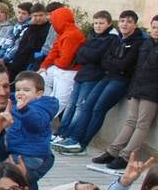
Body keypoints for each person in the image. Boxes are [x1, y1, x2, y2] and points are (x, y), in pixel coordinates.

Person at [91, 14, 158, 173]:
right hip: (138, 88)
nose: (155, 31)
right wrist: (131, 91)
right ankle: (112, 152)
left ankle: (126, 156)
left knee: (142, 124)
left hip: (153, 91)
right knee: (130, 121)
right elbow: (138, 69)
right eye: (153, 27)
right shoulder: (147, 43)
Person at [55, 10, 145, 155]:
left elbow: (124, 65)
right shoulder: (118, 39)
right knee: (87, 106)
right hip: (107, 76)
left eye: (129, 22)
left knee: (98, 109)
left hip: (120, 80)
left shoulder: (138, 42)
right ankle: (74, 139)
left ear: (135, 25)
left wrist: (112, 63)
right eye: (122, 21)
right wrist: (112, 63)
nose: (124, 24)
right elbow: (104, 60)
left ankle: (82, 144)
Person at [39, 5, 85, 117]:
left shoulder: (71, 35)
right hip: (61, 68)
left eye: (53, 19)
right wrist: (44, 66)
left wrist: (53, 62)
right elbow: (54, 51)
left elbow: (65, 61)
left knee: (60, 101)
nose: (52, 22)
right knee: (40, 78)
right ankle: (42, 110)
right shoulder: (63, 33)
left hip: (70, 71)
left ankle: (44, 119)